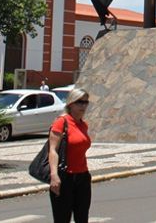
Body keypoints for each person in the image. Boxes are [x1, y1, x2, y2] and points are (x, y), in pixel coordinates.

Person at [49, 88, 93, 223]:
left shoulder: (83, 125)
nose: (83, 106)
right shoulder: (61, 122)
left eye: (86, 102)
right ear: (71, 103)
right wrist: (54, 175)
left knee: (82, 218)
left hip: (83, 177)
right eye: (80, 102)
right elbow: (52, 150)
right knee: (62, 219)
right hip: (65, 177)